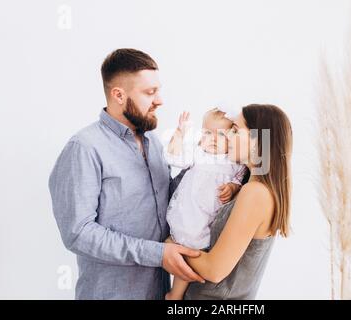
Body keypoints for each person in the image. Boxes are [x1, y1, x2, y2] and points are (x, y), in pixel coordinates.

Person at [48, 48, 210, 299]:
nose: (160, 100)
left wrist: (199, 164)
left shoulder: (153, 143)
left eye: (158, 90)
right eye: (150, 92)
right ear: (118, 95)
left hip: (159, 292)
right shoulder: (84, 148)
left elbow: (166, 206)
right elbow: (78, 233)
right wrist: (157, 254)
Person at [183, 104, 293, 299]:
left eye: (235, 130)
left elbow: (214, 270)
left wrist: (170, 248)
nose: (228, 136)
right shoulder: (247, 187)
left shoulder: (255, 193)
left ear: (256, 140)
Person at [163, 108, 246, 300]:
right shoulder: (198, 153)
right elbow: (174, 157)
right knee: (186, 247)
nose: (213, 139)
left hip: (209, 218)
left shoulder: (233, 161)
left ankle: (177, 294)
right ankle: (175, 294)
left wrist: (233, 187)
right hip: (189, 212)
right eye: (208, 133)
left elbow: (240, 177)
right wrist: (179, 134)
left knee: (195, 251)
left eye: (221, 135)